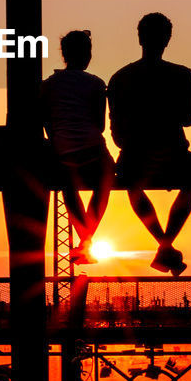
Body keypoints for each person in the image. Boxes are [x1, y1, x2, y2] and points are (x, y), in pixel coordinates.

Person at [107, 13, 191, 276]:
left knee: (132, 186)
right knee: (190, 179)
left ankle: (164, 244)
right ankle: (166, 244)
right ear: (168, 39)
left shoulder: (120, 77)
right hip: (174, 154)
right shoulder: (182, 75)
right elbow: (188, 119)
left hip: (135, 156)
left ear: (139, 38)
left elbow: (116, 132)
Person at [40, 30, 115, 265]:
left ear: (64, 54)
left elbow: (46, 121)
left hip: (62, 151)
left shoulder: (48, 85)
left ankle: (85, 241)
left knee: (67, 188)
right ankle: (86, 241)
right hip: (93, 148)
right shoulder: (95, 83)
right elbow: (100, 125)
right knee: (105, 180)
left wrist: (57, 140)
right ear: (87, 54)